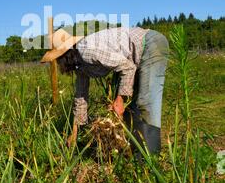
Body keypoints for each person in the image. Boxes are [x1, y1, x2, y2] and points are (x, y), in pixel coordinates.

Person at [41, 26, 169, 154]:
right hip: (134, 57)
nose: (58, 64)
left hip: (149, 44)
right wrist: (74, 132)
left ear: (64, 56)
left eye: (58, 59)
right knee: (131, 109)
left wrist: (120, 99)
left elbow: (127, 67)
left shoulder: (87, 51)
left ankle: (151, 157)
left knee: (146, 102)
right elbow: (81, 97)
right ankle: (138, 153)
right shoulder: (80, 65)